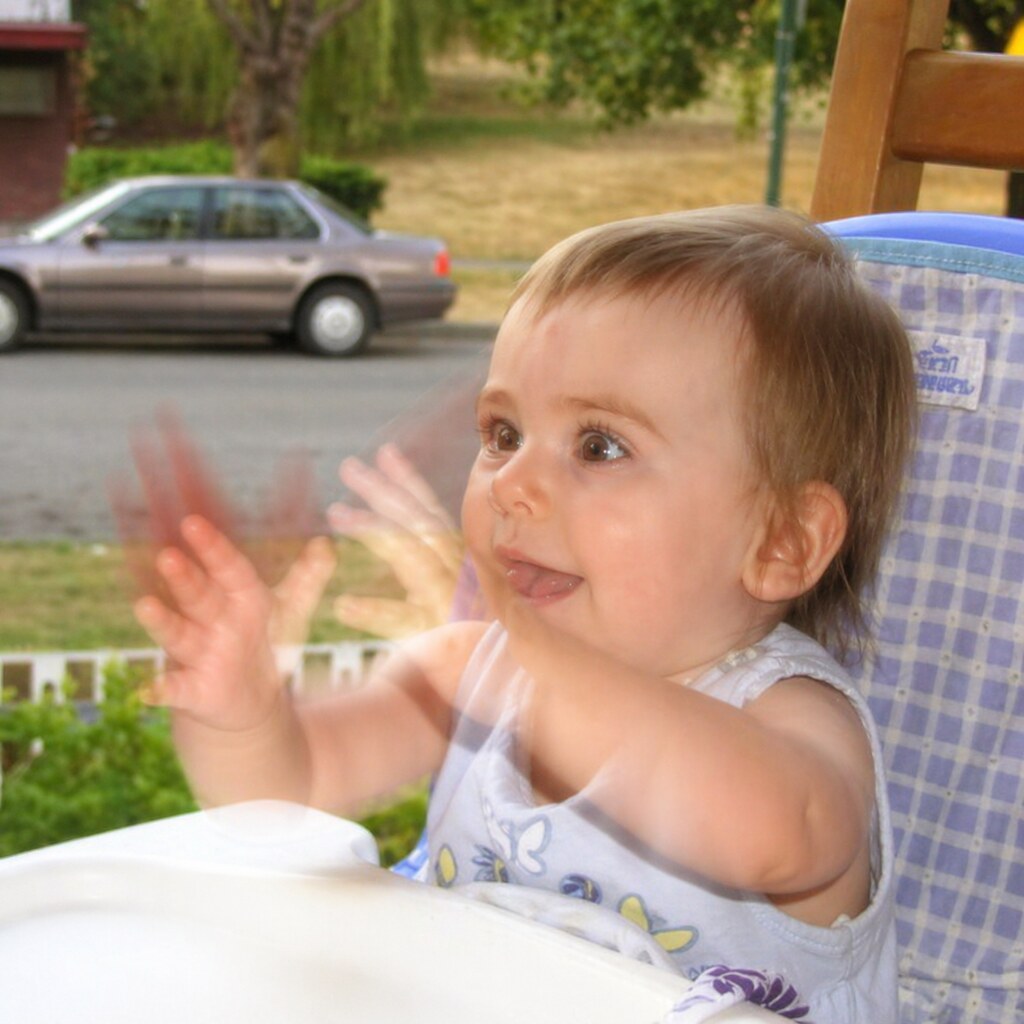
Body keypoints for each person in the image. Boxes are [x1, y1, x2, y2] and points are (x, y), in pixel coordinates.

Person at [131, 206, 917, 1023]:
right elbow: (284, 790)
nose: (511, 484)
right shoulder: (470, 670)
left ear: (782, 539)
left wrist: (545, 666)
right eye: (503, 432)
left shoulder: (792, 719)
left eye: (599, 445)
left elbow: (773, 835)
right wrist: (241, 710)